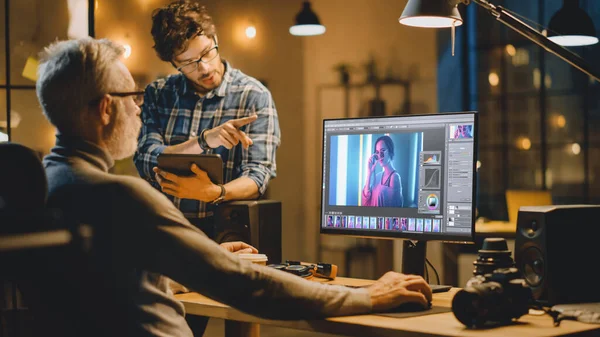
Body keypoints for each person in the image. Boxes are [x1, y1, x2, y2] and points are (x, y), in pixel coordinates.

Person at [31, 37, 432, 337]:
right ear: (105, 108)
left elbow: (109, 280)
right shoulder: (121, 197)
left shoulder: (45, 185)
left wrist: (201, 256)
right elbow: (247, 287)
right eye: (132, 96)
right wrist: (369, 296)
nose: (138, 107)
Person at [134, 0, 281, 237]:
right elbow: (146, 159)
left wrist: (215, 192)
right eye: (188, 63)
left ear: (215, 40)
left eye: (206, 53)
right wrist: (204, 142)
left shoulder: (253, 95)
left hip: (225, 231)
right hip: (164, 229)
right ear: (173, 64)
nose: (203, 69)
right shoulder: (158, 94)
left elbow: (257, 176)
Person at [362, 135, 403, 207]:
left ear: (390, 151)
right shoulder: (378, 176)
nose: (380, 155)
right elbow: (365, 202)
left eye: (383, 151)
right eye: (377, 152)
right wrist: (369, 173)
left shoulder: (394, 177)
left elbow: (394, 210)